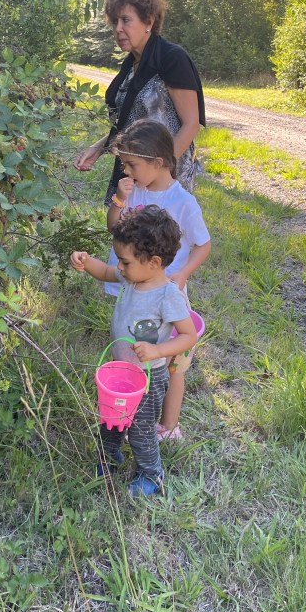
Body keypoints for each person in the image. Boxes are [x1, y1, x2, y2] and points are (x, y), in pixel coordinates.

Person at [70, 206, 197, 498]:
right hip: (119, 371)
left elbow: (188, 336)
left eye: (125, 262)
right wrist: (85, 261)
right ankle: (110, 456)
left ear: (154, 262)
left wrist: (157, 350)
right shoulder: (131, 277)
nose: (120, 267)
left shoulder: (168, 295)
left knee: (141, 430)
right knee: (110, 420)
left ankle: (151, 474)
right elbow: (105, 272)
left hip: (148, 378)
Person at [106, 119, 211, 441]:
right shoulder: (132, 191)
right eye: (124, 164)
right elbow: (114, 229)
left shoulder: (183, 202)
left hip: (167, 295)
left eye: (132, 164)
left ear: (158, 162)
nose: (126, 171)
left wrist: (183, 273)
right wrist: (118, 201)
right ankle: (133, 412)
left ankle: (169, 425)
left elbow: (203, 244)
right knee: (137, 355)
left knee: (173, 363)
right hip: (138, 293)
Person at [73, 0, 206, 205]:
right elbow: (129, 124)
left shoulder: (171, 58)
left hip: (166, 181)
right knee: (125, 226)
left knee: (158, 227)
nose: (118, 29)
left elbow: (191, 124)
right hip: (133, 174)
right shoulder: (130, 66)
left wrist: (158, 172)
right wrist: (98, 148)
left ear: (149, 22)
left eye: (126, 20)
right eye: (115, 22)